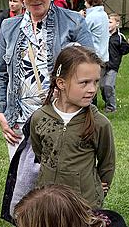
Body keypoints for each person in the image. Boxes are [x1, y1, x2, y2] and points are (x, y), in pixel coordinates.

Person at [0, 0, 93, 227]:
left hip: (61, 118)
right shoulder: (9, 27)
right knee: (26, 183)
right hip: (19, 119)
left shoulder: (73, 22)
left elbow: (91, 67)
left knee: (55, 184)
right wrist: (0, 114)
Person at [30, 46, 115, 209]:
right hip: (47, 201)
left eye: (96, 82)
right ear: (61, 83)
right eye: (84, 83)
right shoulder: (39, 118)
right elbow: (40, 153)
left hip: (83, 204)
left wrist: (97, 188)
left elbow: (107, 163)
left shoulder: (100, 124)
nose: (92, 89)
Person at [102, 14, 129, 113]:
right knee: (102, 86)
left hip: (113, 65)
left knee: (108, 85)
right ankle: (106, 101)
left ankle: (111, 107)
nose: (108, 24)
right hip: (102, 64)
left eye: (110, 22)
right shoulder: (102, 35)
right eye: (107, 22)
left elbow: (123, 50)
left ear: (117, 24)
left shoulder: (119, 37)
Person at [0, 0, 23, 69]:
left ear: (22, 2)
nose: (11, 4)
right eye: (10, 1)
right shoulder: (3, 17)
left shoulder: (27, 17)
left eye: (15, 1)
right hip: (6, 56)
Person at [82, 0, 110, 68]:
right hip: (103, 54)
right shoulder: (103, 14)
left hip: (94, 56)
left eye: (86, 1)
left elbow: (80, 31)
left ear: (90, 1)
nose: (84, 3)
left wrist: (80, 18)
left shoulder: (92, 16)